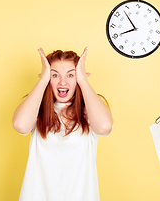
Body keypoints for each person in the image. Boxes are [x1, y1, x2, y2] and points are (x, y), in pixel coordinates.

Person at [12, 47, 113, 201]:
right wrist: (43, 80)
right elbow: (20, 125)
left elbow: (104, 126)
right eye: (55, 75)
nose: (63, 82)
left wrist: (83, 81)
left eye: (71, 75)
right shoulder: (37, 110)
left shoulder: (89, 111)